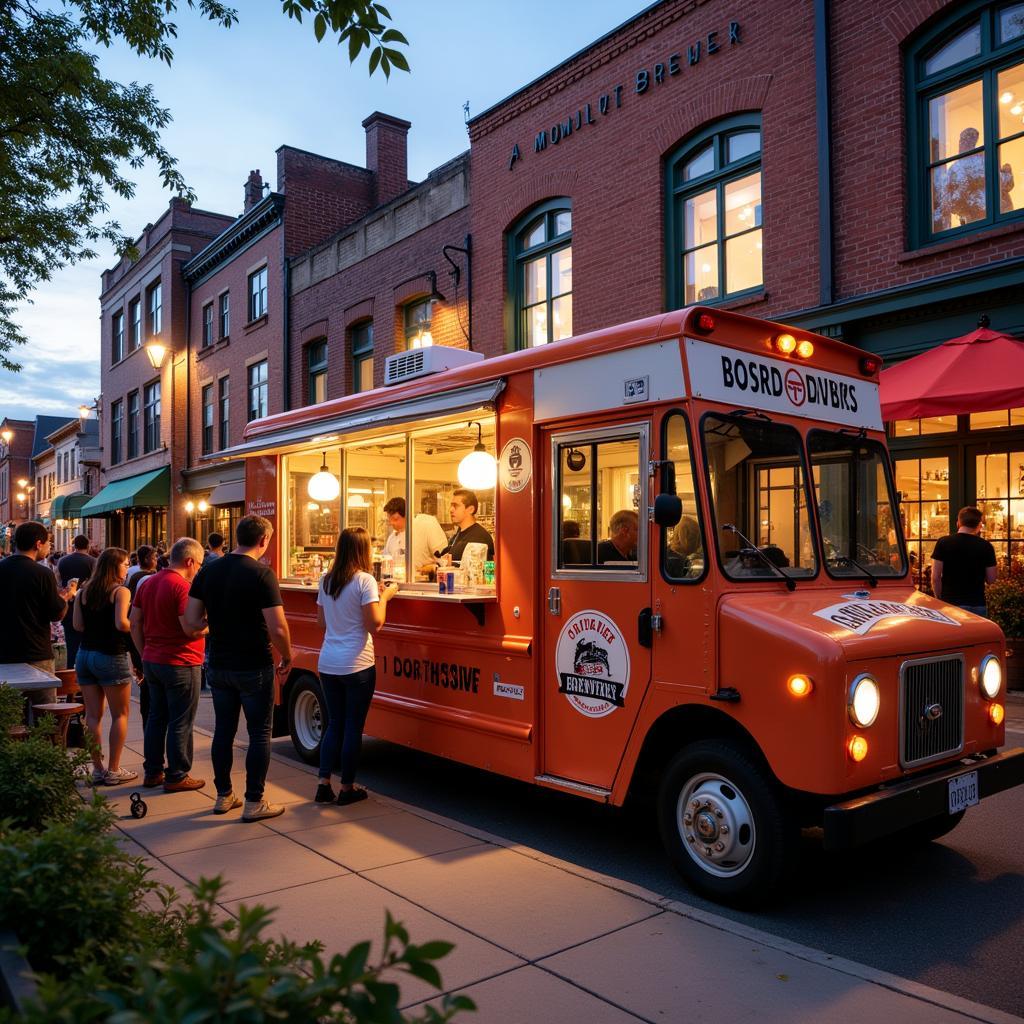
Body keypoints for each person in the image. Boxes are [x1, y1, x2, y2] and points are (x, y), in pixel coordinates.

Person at [185, 514, 292, 821]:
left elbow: (191, 621)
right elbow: (278, 628)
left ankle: (223, 796)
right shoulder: (262, 574)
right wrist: (287, 656)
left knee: (224, 731)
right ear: (264, 540)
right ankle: (254, 801)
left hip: (219, 664)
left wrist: (217, 623)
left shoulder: (208, 571)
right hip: (253, 664)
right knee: (259, 734)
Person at [314, 527, 399, 805]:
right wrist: (386, 597)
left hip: (328, 662)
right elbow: (375, 624)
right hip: (357, 664)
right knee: (353, 727)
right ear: (363, 550)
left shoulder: (326, 580)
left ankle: (323, 783)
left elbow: (322, 622)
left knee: (334, 724)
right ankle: (347, 788)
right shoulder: (365, 581)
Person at [131, 537, 208, 792]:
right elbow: (189, 629)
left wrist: (144, 653)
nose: (198, 569)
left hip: (153, 659)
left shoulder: (148, 582)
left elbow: (134, 622)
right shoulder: (183, 587)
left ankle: (153, 771)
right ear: (189, 561)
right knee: (181, 720)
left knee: (156, 717)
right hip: (180, 661)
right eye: (198, 564)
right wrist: (211, 626)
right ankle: (177, 774)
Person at [73, 546, 136, 785]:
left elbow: (78, 626)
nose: (127, 568)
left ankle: (97, 769)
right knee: (120, 714)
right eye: (125, 564)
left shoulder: (83, 591)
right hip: (110, 655)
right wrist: (139, 625)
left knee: (92, 716)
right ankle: (114, 769)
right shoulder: (121, 591)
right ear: (114, 567)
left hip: (85, 655)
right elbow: (121, 624)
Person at [0, 521, 76, 718]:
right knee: (46, 715)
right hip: (37, 653)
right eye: (49, 543)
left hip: (4, 654)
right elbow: (56, 614)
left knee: (10, 716)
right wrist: (66, 598)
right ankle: (44, 748)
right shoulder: (42, 573)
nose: (50, 547)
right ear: (38, 543)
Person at [930, 506, 997, 617]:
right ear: (979, 526)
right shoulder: (986, 546)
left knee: (952, 635)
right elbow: (991, 579)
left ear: (958, 523)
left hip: (949, 603)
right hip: (977, 603)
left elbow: (935, 577)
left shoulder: (943, 542)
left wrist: (939, 599)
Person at [57, 534, 95, 669]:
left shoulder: (62, 561)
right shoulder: (93, 562)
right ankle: (86, 672)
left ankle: (71, 672)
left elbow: (59, 583)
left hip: (69, 606)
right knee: (88, 644)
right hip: (88, 607)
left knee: (71, 644)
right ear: (88, 546)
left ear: (74, 545)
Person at [381, 497, 447, 575]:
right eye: (389, 520)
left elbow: (445, 561)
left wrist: (433, 568)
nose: (392, 523)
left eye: (395, 519)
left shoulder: (426, 524)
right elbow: (386, 563)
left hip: (426, 583)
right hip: (400, 583)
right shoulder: (392, 538)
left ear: (407, 515)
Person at [435, 489, 494, 563]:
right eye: (451, 505)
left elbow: (475, 569)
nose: (451, 510)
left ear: (471, 509)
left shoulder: (479, 537)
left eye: (456, 506)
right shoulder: (459, 533)